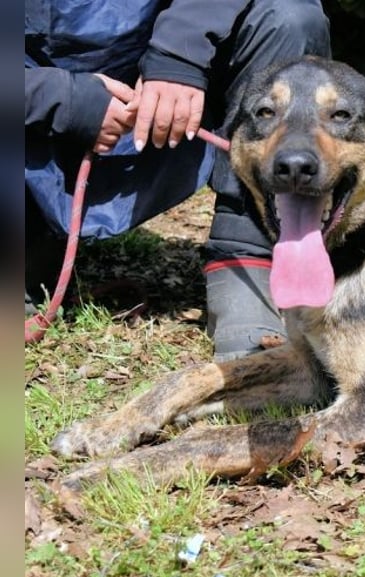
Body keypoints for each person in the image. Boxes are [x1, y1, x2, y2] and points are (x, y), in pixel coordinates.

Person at [25, 0, 331, 360]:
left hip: (153, 87)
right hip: (31, 115)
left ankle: (247, 259)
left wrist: (179, 55)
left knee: (287, 17)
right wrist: (63, 100)